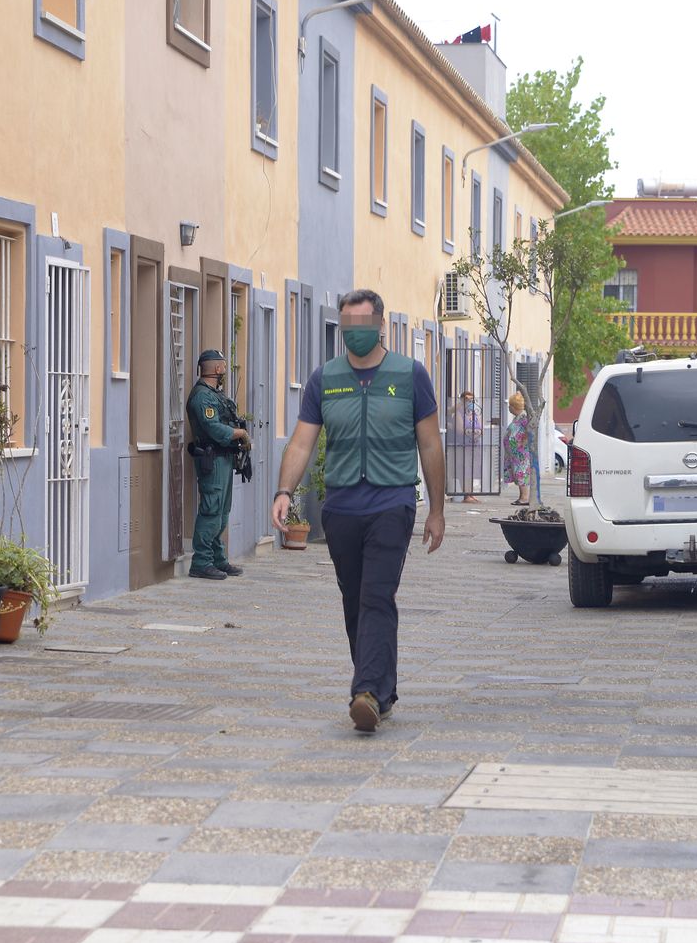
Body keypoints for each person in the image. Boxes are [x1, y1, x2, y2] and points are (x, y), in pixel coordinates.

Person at [271, 290, 446, 733]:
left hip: (392, 502)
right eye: (348, 327)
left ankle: (365, 690)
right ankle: (380, 692)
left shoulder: (410, 375)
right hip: (343, 507)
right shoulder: (325, 379)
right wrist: (284, 491)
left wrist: (437, 510)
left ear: (381, 325)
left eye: (364, 326)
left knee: (375, 596)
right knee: (354, 600)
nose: (356, 335)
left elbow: (430, 444)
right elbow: (301, 441)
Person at [186, 349, 249, 580]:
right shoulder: (203, 397)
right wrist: (239, 432)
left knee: (222, 513)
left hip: (224, 458)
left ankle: (217, 559)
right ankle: (201, 562)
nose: (225, 370)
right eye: (223, 366)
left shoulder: (215, 394)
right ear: (216, 369)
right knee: (211, 510)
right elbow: (213, 427)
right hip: (212, 461)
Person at [502, 391, 535, 505]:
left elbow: (530, 430)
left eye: (510, 406)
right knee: (518, 473)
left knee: (521, 473)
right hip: (515, 454)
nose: (509, 408)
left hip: (520, 453)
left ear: (514, 407)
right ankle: (522, 496)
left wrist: (524, 440)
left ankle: (524, 497)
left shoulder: (524, 417)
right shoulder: (518, 418)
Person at [453, 389, 484, 503]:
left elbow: (481, 429)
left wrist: (476, 432)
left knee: (472, 469)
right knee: (464, 469)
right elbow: (460, 430)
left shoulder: (476, 413)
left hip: (475, 444)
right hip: (463, 445)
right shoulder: (459, 413)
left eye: (472, 399)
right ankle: (466, 495)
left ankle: (470, 493)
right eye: (467, 399)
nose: (470, 402)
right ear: (462, 400)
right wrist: (474, 431)